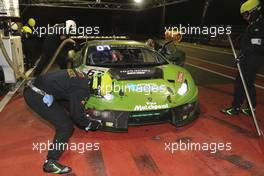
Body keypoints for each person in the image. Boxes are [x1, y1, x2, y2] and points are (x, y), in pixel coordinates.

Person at [23, 68, 101, 174]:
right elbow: (77, 116)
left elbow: (69, 95)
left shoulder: (82, 75)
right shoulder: (82, 89)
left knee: (68, 107)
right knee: (66, 127)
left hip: (36, 87)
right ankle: (50, 162)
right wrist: (90, 124)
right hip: (37, 96)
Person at [221, 0, 264, 116]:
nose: (245, 18)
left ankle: (235, 108)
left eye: (246, 14)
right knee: (249, 84)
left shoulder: (257, 26)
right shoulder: (255, 24)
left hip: (252, 60)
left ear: (254, 11)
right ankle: (251, 107)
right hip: (253, 59)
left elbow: (255, 46)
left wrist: (241, 55)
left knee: (240, 84)